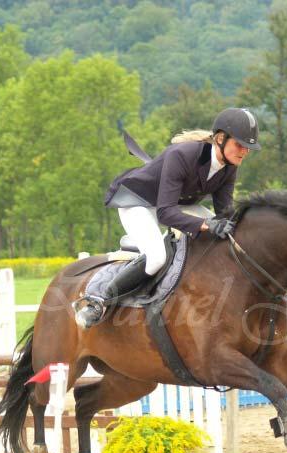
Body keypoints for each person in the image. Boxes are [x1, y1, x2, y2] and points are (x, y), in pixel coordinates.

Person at [74, 107, 260, 329]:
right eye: (240, 145)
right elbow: (165, 213)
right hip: (138, 202)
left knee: (225, 232)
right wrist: (205, 225)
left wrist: (244, 229)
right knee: (156, 257)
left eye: (248, 147)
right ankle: (99, 301)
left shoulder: (228, 167)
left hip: (175, 204)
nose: (244, 151)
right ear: (221, 139)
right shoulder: (182, 155)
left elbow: (224, 214)